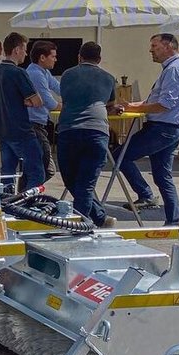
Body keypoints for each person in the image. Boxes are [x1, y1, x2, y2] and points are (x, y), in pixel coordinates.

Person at [118, 33, 179, 225]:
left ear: (169, 47)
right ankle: (174, 221)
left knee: (120, 155)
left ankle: (146, 195)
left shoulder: (174, 70)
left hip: (163, 128)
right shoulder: (176, 67)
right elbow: (156, 101)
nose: (150, 50)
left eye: (154, 46)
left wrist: (137, 108)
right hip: (171, 128)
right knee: (162, 176)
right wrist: (131, 106)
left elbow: (164, 104)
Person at [57, 41, 119, 228]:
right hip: (97, 131)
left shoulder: (67, 75)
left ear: (79, 57)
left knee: (72, 180)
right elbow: (110, 103)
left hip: (69, 130)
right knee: (85, 183)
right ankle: (97, 218)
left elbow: (67, 98)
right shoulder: (109, 78)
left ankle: (81, 226)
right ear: (99, 59)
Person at [0, 32, 44, 192]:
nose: (26, 53)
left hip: (3, 130)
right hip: (21, 131)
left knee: (7, 175)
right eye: (24, 49)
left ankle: (7, 204)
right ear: (16, 50)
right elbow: (37, 101)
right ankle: (28, 204)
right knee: (37, 173)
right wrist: (26, 101)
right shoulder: (18, 72)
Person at [25, 40, 62, 182]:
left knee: (32, 169)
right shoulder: (36, 74)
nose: (55, 59)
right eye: (53, 56)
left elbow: (59, 88)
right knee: (46, 169)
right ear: (42, 57)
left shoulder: (44, 72)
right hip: (33, 125)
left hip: (38, 124)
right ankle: (27, 196)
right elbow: (50, 103)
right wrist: (73, 106)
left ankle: (23, 197)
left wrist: (74, 94)